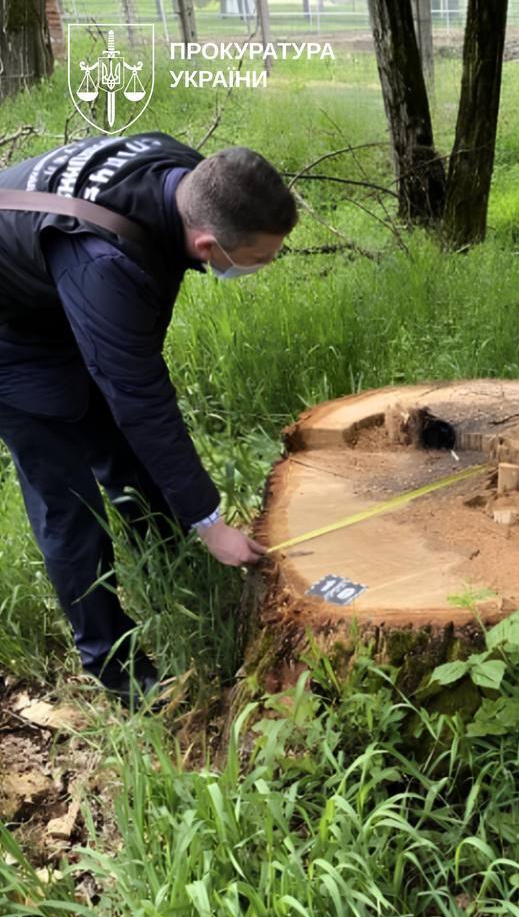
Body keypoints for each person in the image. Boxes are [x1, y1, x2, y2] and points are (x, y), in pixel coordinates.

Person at [0, 132, 298, 703]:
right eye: (260, 258)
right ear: (208, 243)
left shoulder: (188, 176)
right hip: (12, 339)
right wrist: (210, 521)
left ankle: (170, 566)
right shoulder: (107, 263)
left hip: (60, 291)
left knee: (126, 452)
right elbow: (140, 398)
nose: (265, 265)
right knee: (69, 507)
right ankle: (119, 670)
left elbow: (129, 384)